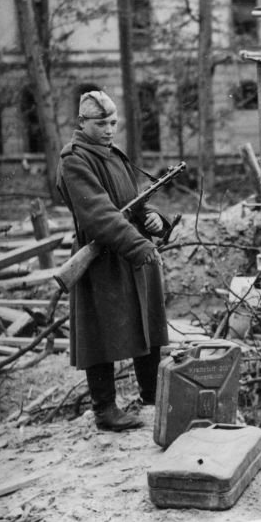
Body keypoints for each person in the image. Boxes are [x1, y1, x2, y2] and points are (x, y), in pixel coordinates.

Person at [57, 91, 169, 432]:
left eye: (113, 122)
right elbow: (99, 216)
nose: (109, 130)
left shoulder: (113, 154)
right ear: (82, 123)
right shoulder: (74, 161)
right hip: (102, 256)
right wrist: (139, 245)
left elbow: (130, 202)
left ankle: (152, 395)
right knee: (98, 332)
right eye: (101, 123)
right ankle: (104, 409)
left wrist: (154, 219)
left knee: (147, 319)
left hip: (130, 248)